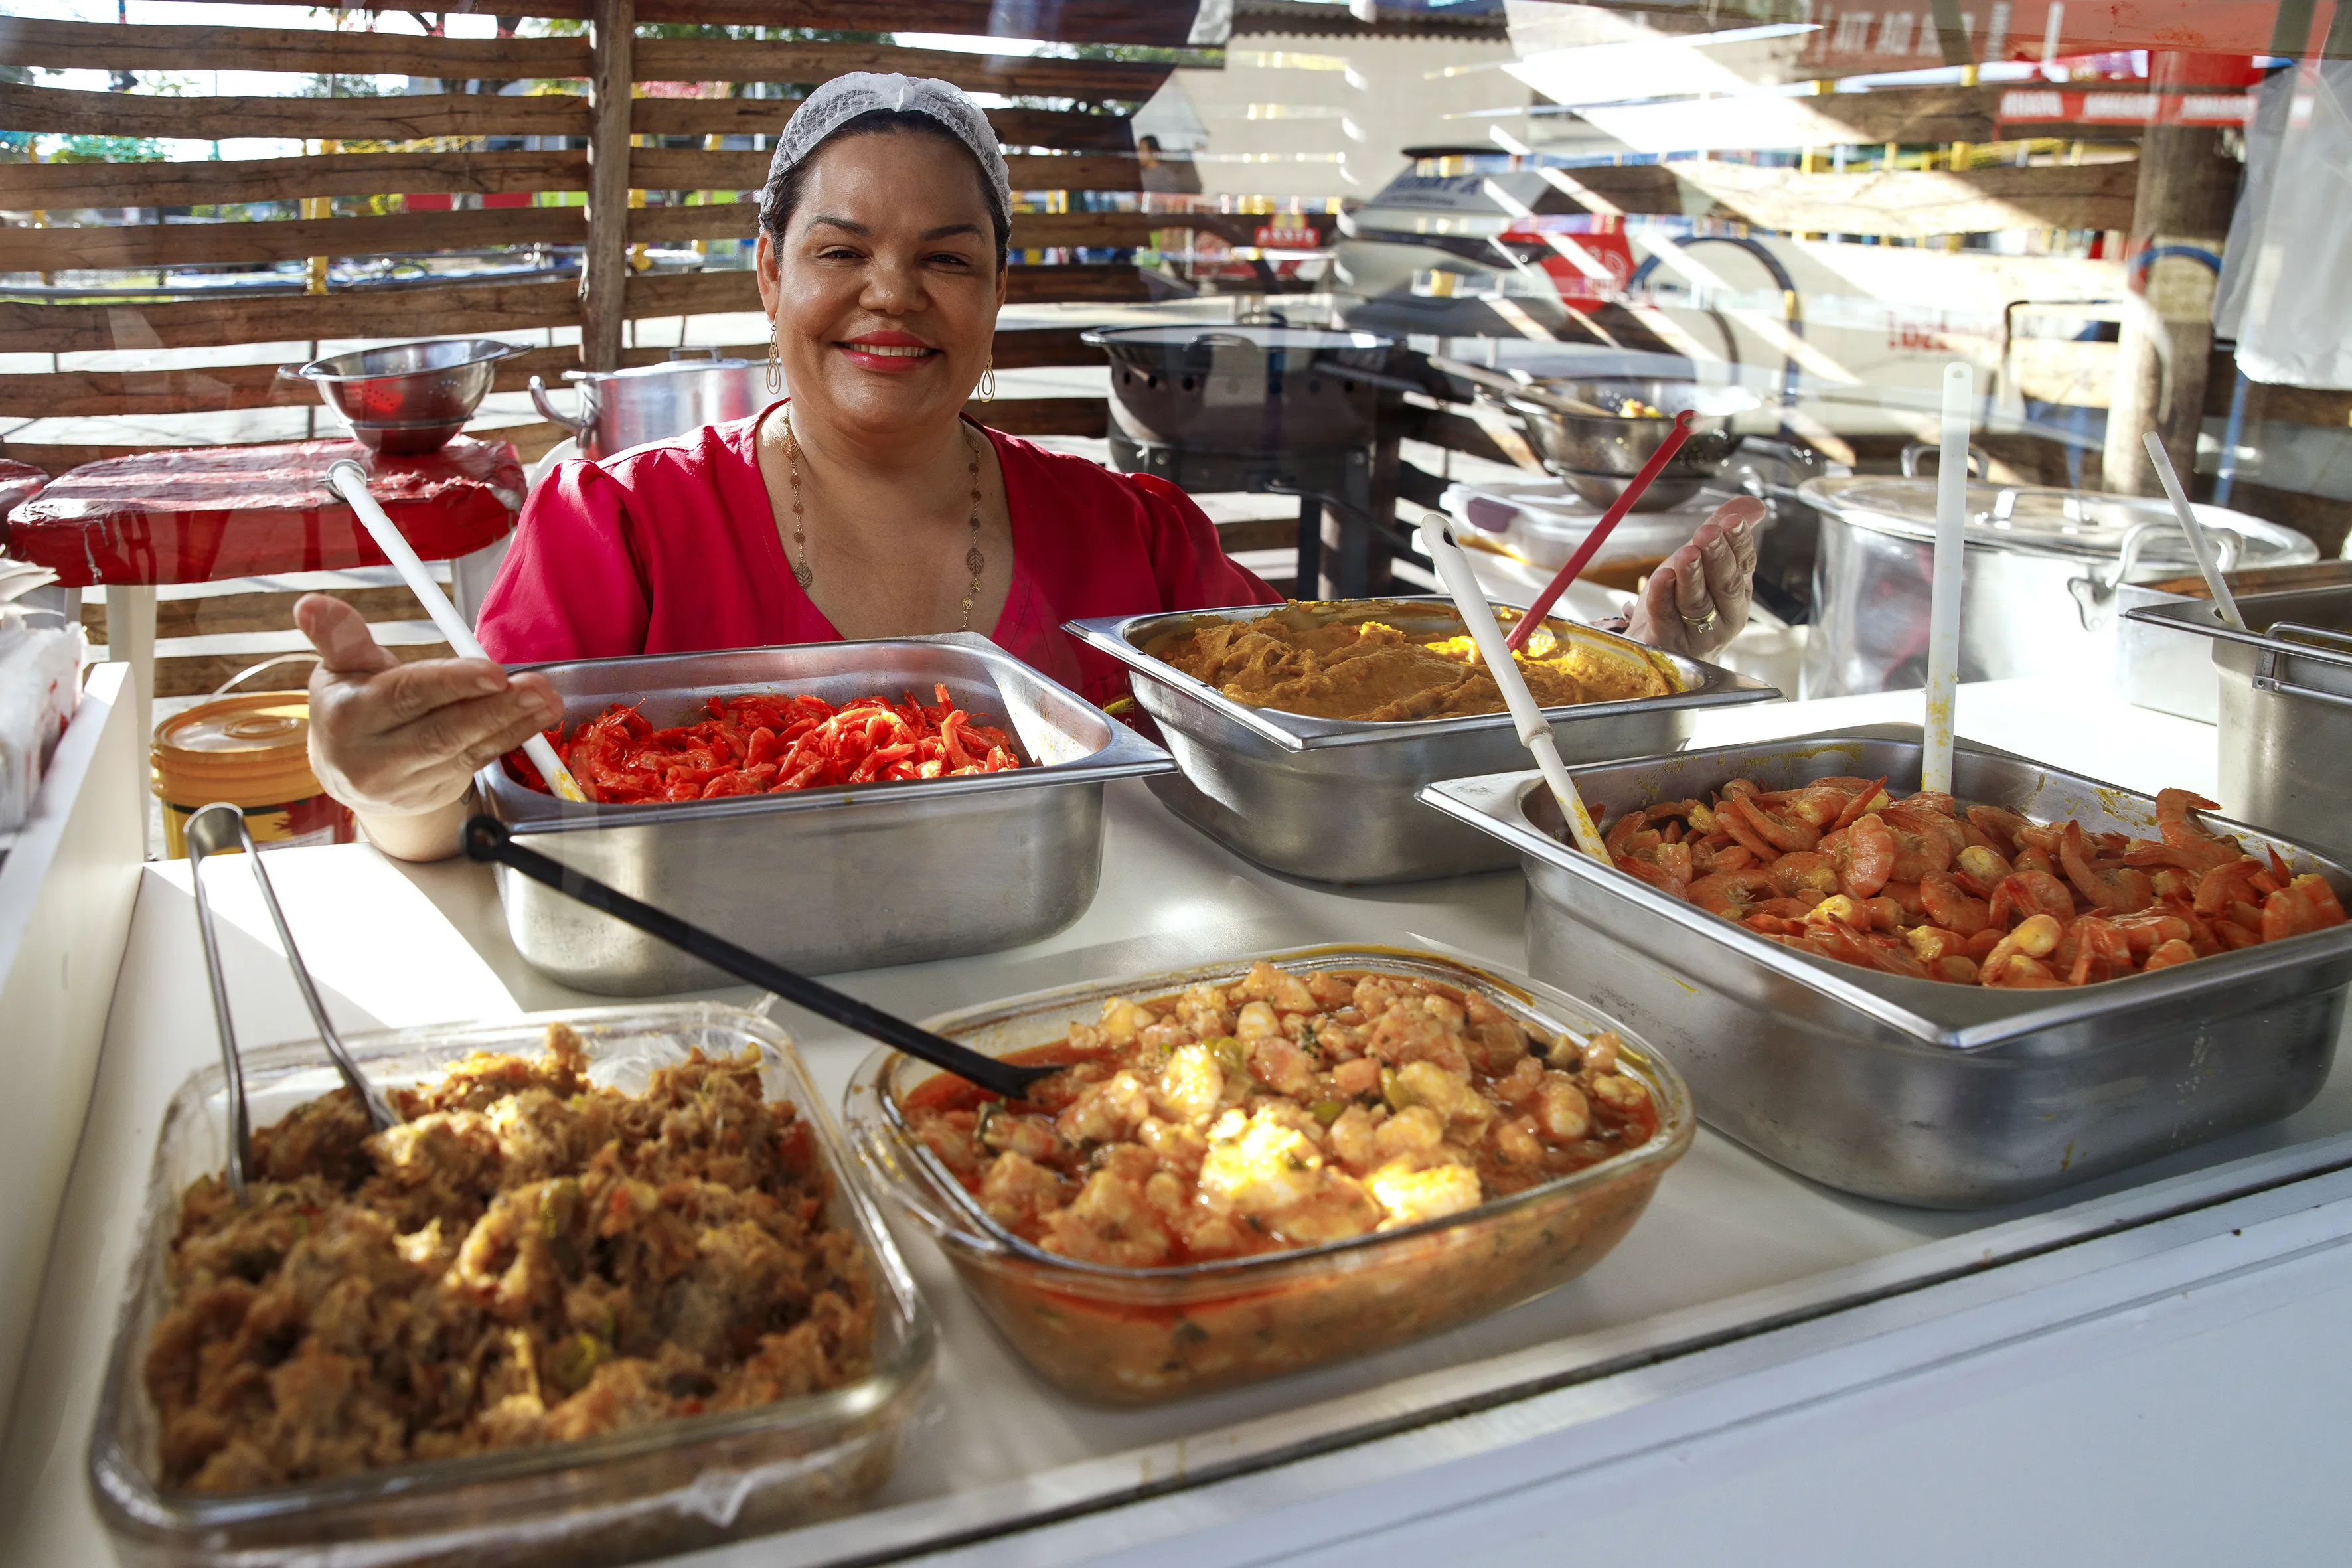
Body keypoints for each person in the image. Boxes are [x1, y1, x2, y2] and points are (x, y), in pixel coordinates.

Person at [297, 72, 1761, 862]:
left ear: (994, 299)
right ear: (766, 276)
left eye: (947, 259)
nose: (892, 296)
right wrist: (378, 777)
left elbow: (1347, 728)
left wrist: (1618, 665)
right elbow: (476, 813)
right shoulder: (615, 520)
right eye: (841, 251)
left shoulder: (1130, 530)